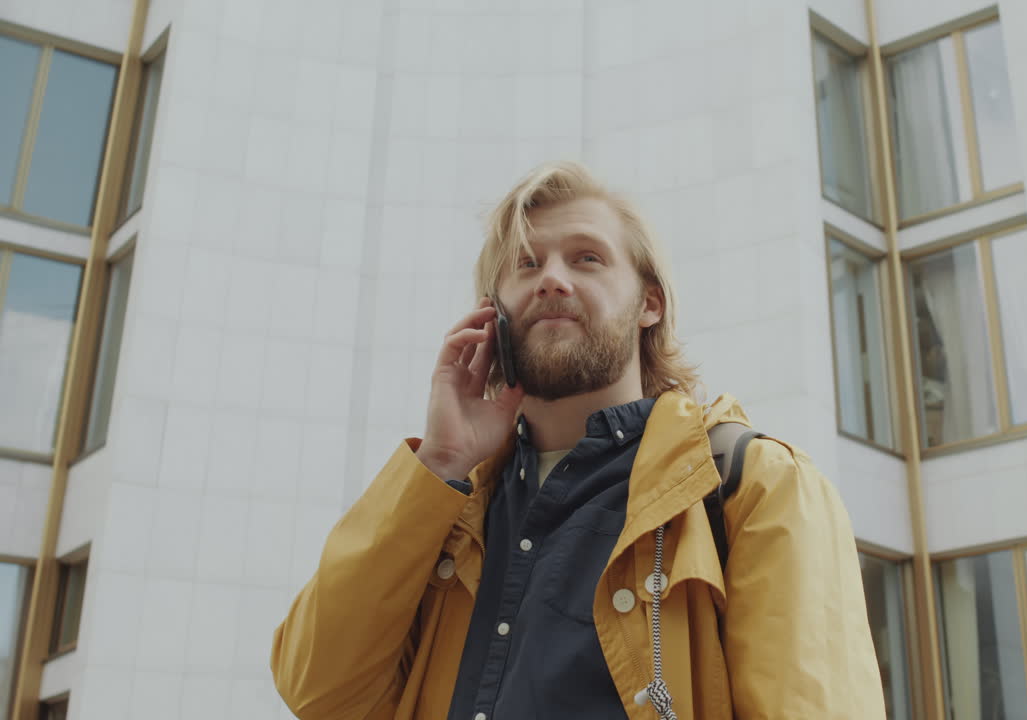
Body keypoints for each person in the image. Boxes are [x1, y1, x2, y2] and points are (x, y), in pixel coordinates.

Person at [271, 161, 886, 719]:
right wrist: (438, 463)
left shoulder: (756, 486)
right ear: (493, 314)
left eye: (587, 258)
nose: (552, 280)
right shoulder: (447, 513)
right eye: (527, 264)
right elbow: (318, 690)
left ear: (649, 303)